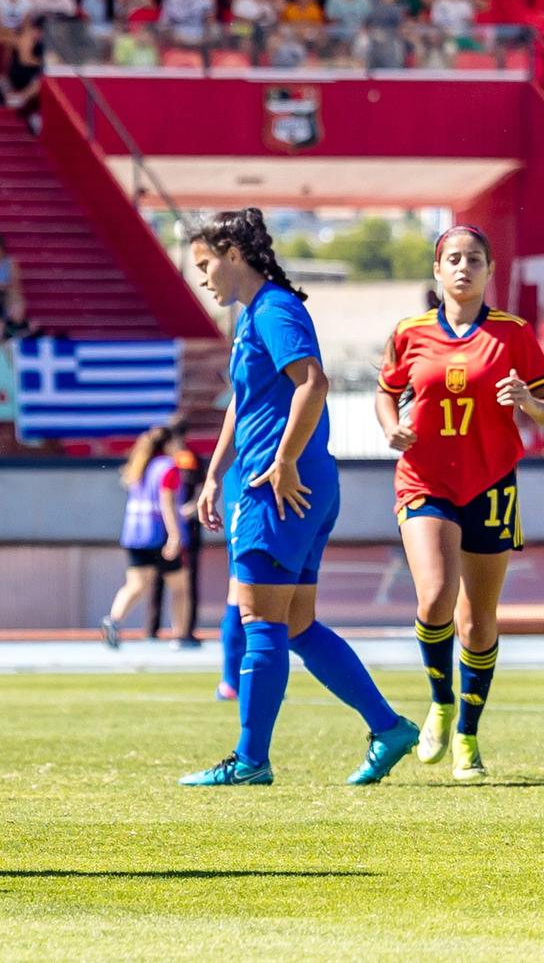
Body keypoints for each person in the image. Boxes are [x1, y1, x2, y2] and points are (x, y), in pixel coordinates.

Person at [180, 209, 418, 788]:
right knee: (297, 624)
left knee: (259, 617)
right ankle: (388, 729)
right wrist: (214, 475)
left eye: (206, 265)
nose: (203, 278)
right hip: (295, 483)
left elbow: (313, 381)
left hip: (279, 484)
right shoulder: (253, 317)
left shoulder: (276, 309)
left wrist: (282, 461)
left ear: (235, 254)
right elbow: (247, 399)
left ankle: (250, 760)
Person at [375, 225, 544, 781]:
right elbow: (386, 390)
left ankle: (468, 735)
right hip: (424, 479)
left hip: (491, 482)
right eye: (453, 259)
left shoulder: (516, 335)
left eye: (474, 259)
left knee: (477, 622)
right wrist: (390, 427)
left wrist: (527, 402)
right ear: (437, 270)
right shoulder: (409, 332)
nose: (463, 267)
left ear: (490, 270)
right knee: (436, 595)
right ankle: (440, 702)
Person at [101, 425, 188, 646]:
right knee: (179, 587)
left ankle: (113, 620)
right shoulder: (168, 467)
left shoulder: (139, 466)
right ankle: (180, 635)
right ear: (168, 443)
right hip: (158, 534)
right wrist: (175, 535)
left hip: (135, 534)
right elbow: (166, 502)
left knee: (136, 585)